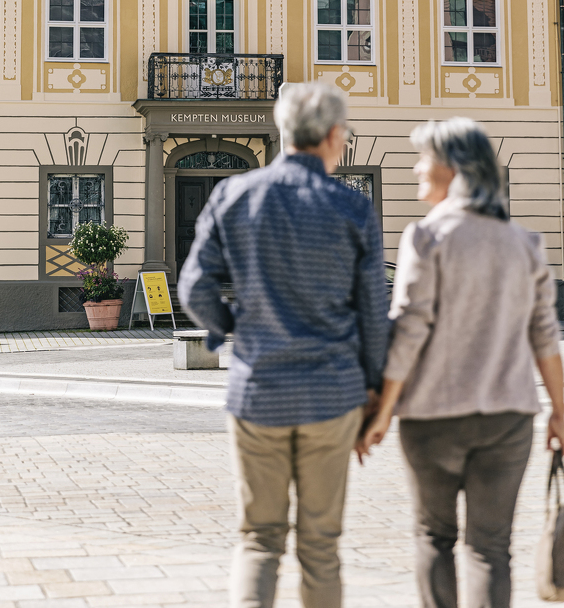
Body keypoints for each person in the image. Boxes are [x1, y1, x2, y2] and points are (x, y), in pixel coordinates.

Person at [179, 82, 389, 608]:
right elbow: (372, 312)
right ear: (334, 136)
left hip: (259, 391)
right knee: (321, 544)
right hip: (331, 394)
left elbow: (192, 287)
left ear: (284, 131)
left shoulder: (234, 194)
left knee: (259, 539)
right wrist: (373, 389)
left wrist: (229, 327)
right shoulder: (352, 208)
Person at [358, 117, 564, 608]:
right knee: (491, 548)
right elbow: (545, 336)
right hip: (508, 418)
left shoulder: (426, 237)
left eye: (423, 159)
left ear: (452, 168)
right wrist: (560, 408)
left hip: (433, 418)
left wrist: (383, 411)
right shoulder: (525, 242)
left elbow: (408, 332)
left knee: (435, 538)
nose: (415, 169)